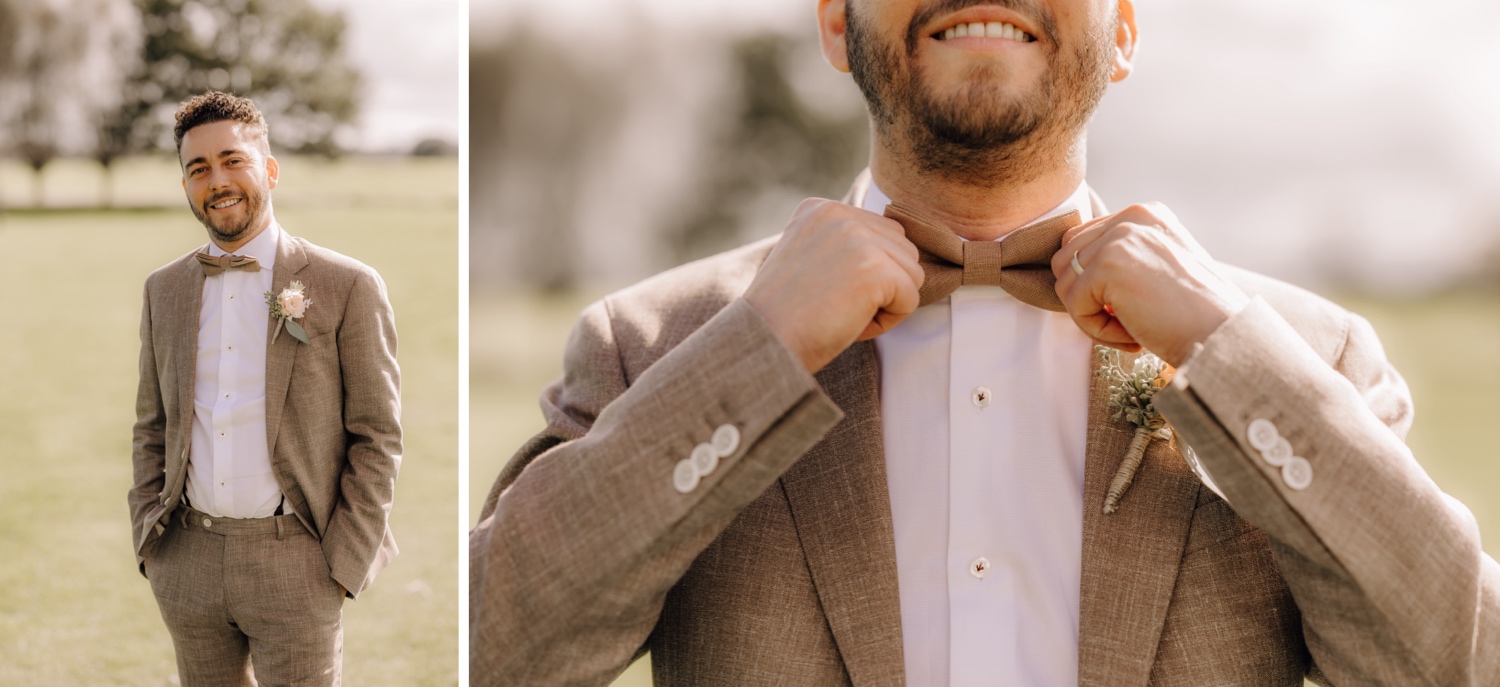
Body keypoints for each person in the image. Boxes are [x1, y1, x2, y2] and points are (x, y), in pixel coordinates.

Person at [470, 1, 1497, 684]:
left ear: (1124, 31)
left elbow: (1463, 661)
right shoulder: (650, 347)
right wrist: (757, 355)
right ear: (837, 22)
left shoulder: (1310, 357)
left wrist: (1229, 357)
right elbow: (493, 651)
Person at [129, 91, 402, 686]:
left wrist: (341, 564)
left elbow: (378, 435)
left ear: (269, 169)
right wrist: (151, 542)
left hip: (297, 560)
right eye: (198, 168)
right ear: (185, 186)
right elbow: (152, 424)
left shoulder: (347, 284)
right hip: (187, 558)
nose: (217, 180)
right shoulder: (163, 289)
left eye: (233, 160)